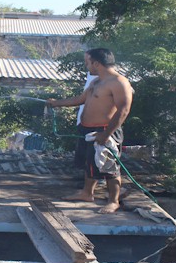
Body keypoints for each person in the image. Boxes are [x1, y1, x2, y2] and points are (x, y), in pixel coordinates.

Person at [46, 48, 133, 213]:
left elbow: (124, 110)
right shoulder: (96, 82)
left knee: (109, 167)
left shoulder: (119, 82)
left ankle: (113, 201)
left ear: (97, 63)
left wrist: (106, 134)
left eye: (87, 62)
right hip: (87, 130)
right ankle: (87, 193)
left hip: (106, 131)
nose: (87, 66)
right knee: (89, 162)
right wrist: (56, 103)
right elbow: (80, 100)